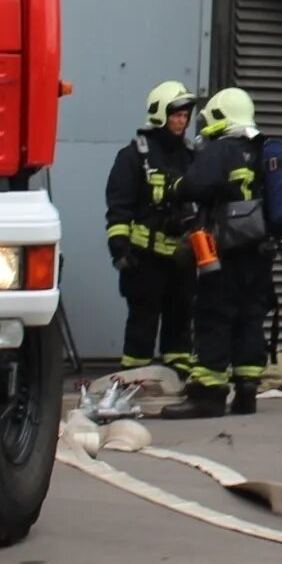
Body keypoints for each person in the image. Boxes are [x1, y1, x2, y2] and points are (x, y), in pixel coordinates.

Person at [162, 87, 277, 421]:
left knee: (214, 313)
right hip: (260, 248)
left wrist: (173, 186)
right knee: (250, 316)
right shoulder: (265, 149)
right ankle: (246, 391)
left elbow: (195, 186)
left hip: (225, 247)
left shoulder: (220, 149)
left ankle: (208, 395)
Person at [103, 81, 197, 379]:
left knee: (180, 325)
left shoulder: (191, 155)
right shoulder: (134, 156)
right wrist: (120, 249)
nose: (182, 121)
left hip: (182, 259)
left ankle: (177, 380)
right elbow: (119, 207)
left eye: (185, 115)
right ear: (159, 114)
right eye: (176, 115)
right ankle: (135, 381)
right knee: (142, 324)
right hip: (144, 260)